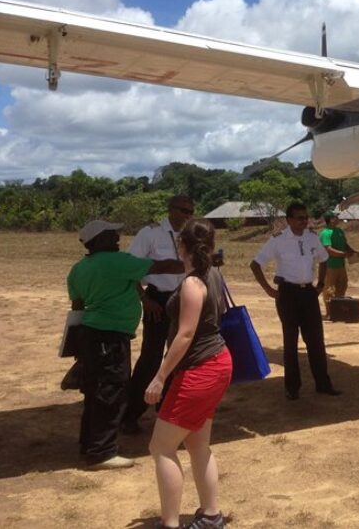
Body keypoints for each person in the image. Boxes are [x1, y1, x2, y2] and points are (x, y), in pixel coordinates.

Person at [66, 220, 183, 470]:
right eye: (111, 235)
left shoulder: (78, 269)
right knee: (112, 391)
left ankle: (89, 444)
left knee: (95, 391)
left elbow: (77, 307)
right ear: (97, 241)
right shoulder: (117, 263)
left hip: (90, 333)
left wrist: (76, 347)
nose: (118, 238)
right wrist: (200, 264)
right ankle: (102, 452)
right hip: (111, 336)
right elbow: (164, 265)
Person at [146, 218, 232, 529]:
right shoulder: (212, 275)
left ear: (181, 246)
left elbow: (185, 335)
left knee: (161, 447)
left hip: (201, 368)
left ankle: (170, 523)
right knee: (197, 445)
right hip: (213, 364)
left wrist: (160, 376)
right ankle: (211, 515)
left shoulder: (193, 283)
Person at [250, 202, 341, 399]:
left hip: (308, 293)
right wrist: (268, 290)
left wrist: (320, 285)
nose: (303, 221)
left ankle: (323, 384)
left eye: (305, 217)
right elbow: (255, 264)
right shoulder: (278, 240)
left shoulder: (311, 238)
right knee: (290, 342)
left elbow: (324, 259)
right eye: (299, 218)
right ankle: (292, 388)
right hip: (287, 294)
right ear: (289, 220)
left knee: (316, 341)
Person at [123, 195, 195, 434]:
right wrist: (145, 299)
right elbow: (130, 268)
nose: (186, 215)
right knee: (151, 359)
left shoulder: (190, 235)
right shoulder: (150, 233)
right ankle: (131, 414)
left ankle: (166, 411)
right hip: (158, 300)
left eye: (190, 211)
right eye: (183, 210)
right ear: (170, 209)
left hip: (183, 298)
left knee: (179, 357)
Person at [319, 210, 359, 317]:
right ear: (331, 219)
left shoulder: (339, 231)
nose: (338, 218)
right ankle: (329, 312)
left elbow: (345, 244)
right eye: (336, 217)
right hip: (330, 266)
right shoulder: (325, 233)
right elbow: (328, 249)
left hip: (341, 266)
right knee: (329, 290)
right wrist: (344, 254)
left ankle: (337, 311)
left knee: (342, 287)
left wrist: (352, 252)